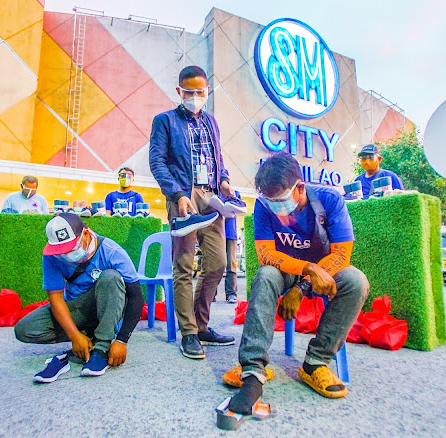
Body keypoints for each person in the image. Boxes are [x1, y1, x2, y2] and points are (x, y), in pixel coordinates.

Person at [224, 152, 369, 414]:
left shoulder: (329, 199)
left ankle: (316, 362)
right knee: (265, 274)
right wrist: (306, 269)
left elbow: (341, 256)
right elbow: (266, 255)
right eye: (271, 202)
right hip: (289, 270)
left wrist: (301, 288)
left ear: (299, 187)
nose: (277, 210)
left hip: (324, 270)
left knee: (355, 281)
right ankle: (253, 368)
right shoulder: (263, 206)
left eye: (280, 201)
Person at [149, 65, 235, 359]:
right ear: (179, 92)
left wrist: (223, 180)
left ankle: (202, 325)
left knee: (218, 263)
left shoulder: (211, 121)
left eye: (200, 92)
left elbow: (217, 158)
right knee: (183, 265)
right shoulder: (165, 121)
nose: (195, 96)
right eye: (189, 92)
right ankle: (189, 332)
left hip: (212, 197)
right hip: (183, 196)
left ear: (207, 90)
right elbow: (157, 162)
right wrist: (177, 194)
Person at [14, 213, 144, 382]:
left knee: (111, 277)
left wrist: (121, 340)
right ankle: (88, 336)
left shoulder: (111, 252)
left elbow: (136, 298)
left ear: (86, 233)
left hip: (105, 306)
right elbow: (56, 299)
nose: (67, 255)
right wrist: (74, 335)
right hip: (76, 307)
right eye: (62, 251)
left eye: (72, 248)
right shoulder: (51, 257)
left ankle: (101, 348)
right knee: (25, 329)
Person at [224, 190, 242, 304]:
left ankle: (231, 293)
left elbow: (241, 206)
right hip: (214, 231)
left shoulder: (235, 193)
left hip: (230, 232)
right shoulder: (212, 192)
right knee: (214, 265)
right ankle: (211, 294)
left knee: (231, 264)